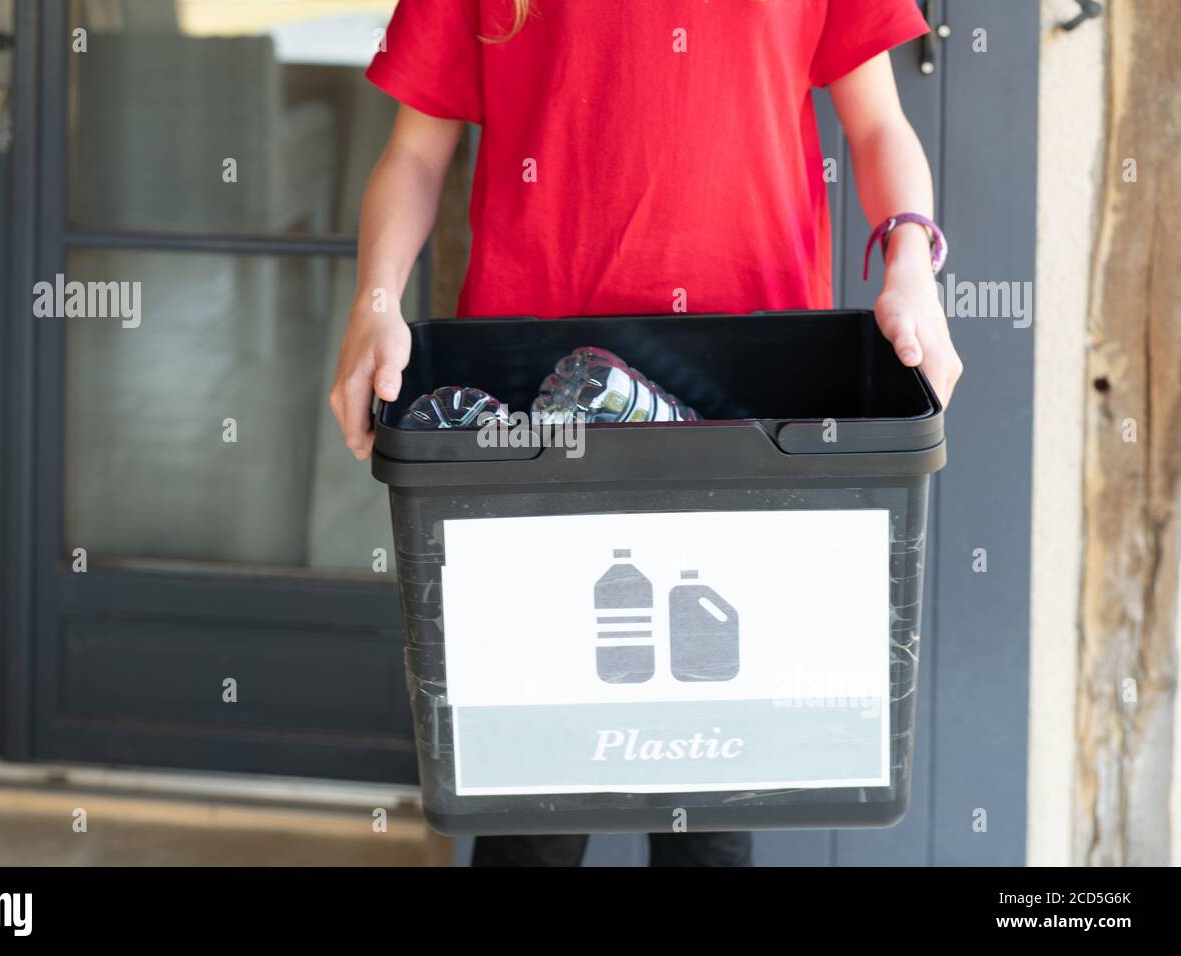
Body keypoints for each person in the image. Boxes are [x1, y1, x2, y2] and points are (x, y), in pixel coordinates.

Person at [329, 0, 962, 867]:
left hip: (752, 393)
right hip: (534, 400)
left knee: (717, 798)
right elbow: (413, 149)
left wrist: (913, 271)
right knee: (533, 802)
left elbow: (880, 123)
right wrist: (374, 306)